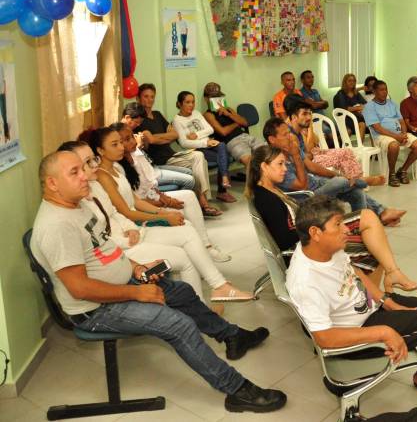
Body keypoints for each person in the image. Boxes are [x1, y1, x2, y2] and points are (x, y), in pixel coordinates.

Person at [32, 150, 286, 414]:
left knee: (182, 292)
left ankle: (232, 336)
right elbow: (80, 288)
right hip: (95, 310)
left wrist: (137, 268)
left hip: (121, 284)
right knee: (179, 325)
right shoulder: (56, 226)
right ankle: (237, 390)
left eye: (83, 168)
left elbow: (106, 251)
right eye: (74, 172)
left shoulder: (79, 204)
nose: (85, 175)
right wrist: (136, 292)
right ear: (52, 183)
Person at [285, 196, 417, 422]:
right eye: (338, 224)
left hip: (369, 310)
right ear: (315, 232)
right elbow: (324, 338)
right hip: (355, 335)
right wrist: (383, 331)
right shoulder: (306, 281)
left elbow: (354, 271)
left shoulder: (324, 249)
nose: (346, 229)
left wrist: (385, 300)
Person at [89, 127, 252, 299]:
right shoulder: (103, 176)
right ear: (100, 150)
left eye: (121, 142)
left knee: (187, 230)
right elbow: (127, 212)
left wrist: (163, 211)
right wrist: (164, 215)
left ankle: (218, 287)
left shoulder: (116, 168)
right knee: (184, 242)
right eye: (115, 144)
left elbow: (136, 200)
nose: (121, 147)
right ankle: (211, 293)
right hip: (131, 231)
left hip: (136, 227)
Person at [246, 145, 417, 291]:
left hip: (311, 236)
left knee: (369, 222)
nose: (285, 168)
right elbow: (285, 239)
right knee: (372, 243)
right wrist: (319, 226)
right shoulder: (266, 199)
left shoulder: (269, 190)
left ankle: (385, 283)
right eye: (280, 164)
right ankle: (379, 291)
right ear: (264, 166)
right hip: (308, 247)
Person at [264, 108, 406, 226]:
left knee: (355, 192)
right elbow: (302, 185)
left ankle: (363, 224)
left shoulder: (291, 147)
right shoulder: (274, 161)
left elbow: (312, 166)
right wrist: (296, 157)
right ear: (272, 140)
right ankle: (363, 181)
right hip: (307, 196)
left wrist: (333, 175)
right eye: (285, 134)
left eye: (289, 132)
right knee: (343, 182)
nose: (290, 137)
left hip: (317, 183)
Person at [113, 123, 231, 262]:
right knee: (182, 210)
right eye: (126, 140)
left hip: (153, 198)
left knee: (189, 195)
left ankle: (206, 246)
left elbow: (151, 184)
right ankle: (199, 251)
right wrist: (164, 203)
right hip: (145, 206)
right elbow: (135, 202)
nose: (133, 141)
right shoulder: (119, 168)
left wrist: (163, 197)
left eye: (132, 137)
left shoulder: (137, 154)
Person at [133, 85, 223, 215]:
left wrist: (155, 137)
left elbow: (174, 135)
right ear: (138, 98)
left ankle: (203, 200)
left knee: (198, 156)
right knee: (196, 163)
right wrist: (161, 137)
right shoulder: (139, 120)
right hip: (159, 160)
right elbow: (149, 141)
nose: (149, 100)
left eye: (152, 96)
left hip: (172, 155)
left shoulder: (157, 115)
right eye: (146, 96)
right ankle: (204, 204)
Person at [173, 91, 236, 203]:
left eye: (193, 102)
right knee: (224, 157)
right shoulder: (177, 120)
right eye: (187, 102)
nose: (191, 105)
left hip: (208, 143)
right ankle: (223, 189)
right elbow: (184, 143)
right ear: (180, 104)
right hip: (196, 149)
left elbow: (210, 129)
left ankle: (224, 178)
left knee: (222, 145)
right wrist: (204, 142)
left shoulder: (196, 113)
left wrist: (197, 135)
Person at [121, 101, 197, 193]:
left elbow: (145, 149)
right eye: (137, 122)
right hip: (147, 174)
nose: (138, 125)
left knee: (189, 172)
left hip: (151, 166)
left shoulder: (132, 130)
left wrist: (143, 143)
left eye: (140, 123)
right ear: (127, 117)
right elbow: (130, 158)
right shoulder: (121, 133)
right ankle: (175, 201)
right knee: (189, 180)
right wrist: (138, 146)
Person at [363, 80, 417, 187]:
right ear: (374, 91)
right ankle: (392, 174)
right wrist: (396, 137)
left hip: (398, 134)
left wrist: (404, 134)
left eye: (386, 89)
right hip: (381, 136)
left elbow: (402, 121)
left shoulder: (393, 103)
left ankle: (403, 170)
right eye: (381, 90)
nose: (384, 92)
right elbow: (377, 128)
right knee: (394, 145)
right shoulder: (369, 107)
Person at [201, 82, 263, 168]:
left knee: (267, 155)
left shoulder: (228, 109)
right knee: (249, 161)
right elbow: (223, 132)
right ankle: (253, 180)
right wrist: (237, 123)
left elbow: (245, 122)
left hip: (245, 136)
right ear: (206, 99)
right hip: (231, 141)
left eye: (218, 96)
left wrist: (228, 114)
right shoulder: (208, 114)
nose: (217, 99)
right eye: (213, 97)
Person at [333, 73, 368, 141]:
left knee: (369, 123)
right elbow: (344, 109)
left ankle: (360, 147)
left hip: (357, 118)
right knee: (362, 125)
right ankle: (359, 148)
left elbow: (364, 104)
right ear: (345, 82)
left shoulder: (356, 93)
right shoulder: (340, 94)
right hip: (345, 119)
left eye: (354, 81)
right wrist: (357, 108)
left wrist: (358, 108)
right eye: (349, 81)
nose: (352, 82)